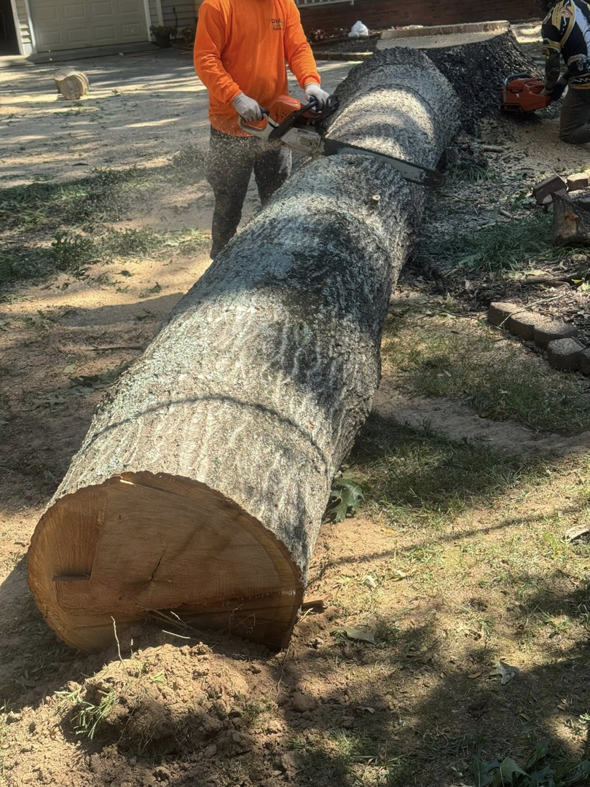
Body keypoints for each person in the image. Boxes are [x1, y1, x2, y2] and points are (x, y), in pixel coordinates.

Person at [194, 0, 330, 259]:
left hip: (276, 122)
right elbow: (206, 59)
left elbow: (298, 47)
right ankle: (219, 262)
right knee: (228, 203)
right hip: (231, 123)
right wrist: (235, 96)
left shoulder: (283, 4)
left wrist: (311, 82)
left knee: (276, 199)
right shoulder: (217, 6)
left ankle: (274, 260)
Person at [539, 0, 590, 144]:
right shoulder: (583, 5)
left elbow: (552, 64)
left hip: (585, 85)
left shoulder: (551, 20)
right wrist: (565, 79)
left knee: (568, 133)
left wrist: (548, 89)